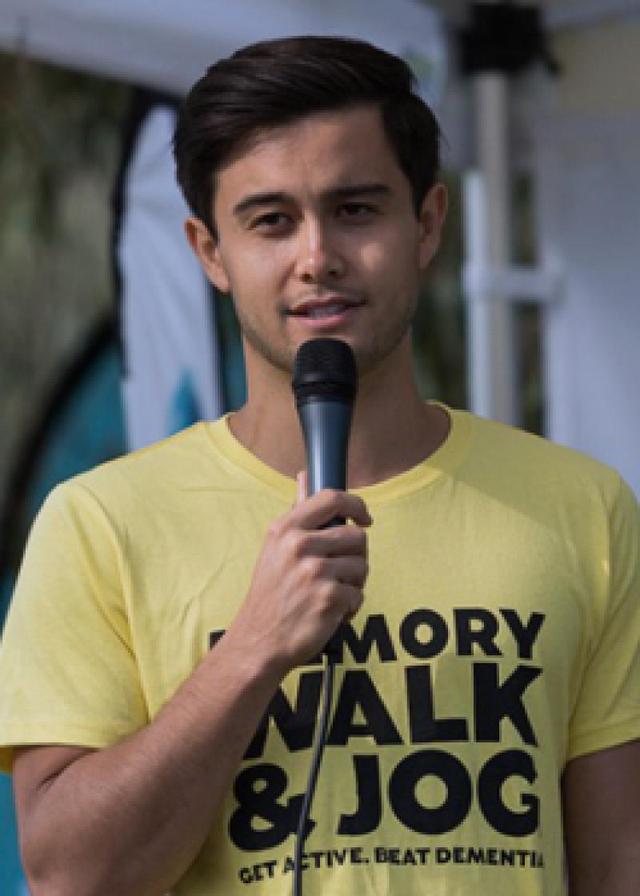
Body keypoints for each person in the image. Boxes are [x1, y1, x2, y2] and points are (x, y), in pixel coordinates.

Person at [1, 35, 639, 896]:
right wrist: (252, 650)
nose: (316, 257)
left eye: (356, 210)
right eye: (271, 220)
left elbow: (617, 864)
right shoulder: (100, 524)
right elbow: (71, 875)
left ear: (428, 223)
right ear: (209, 252)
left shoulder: (583, 507)